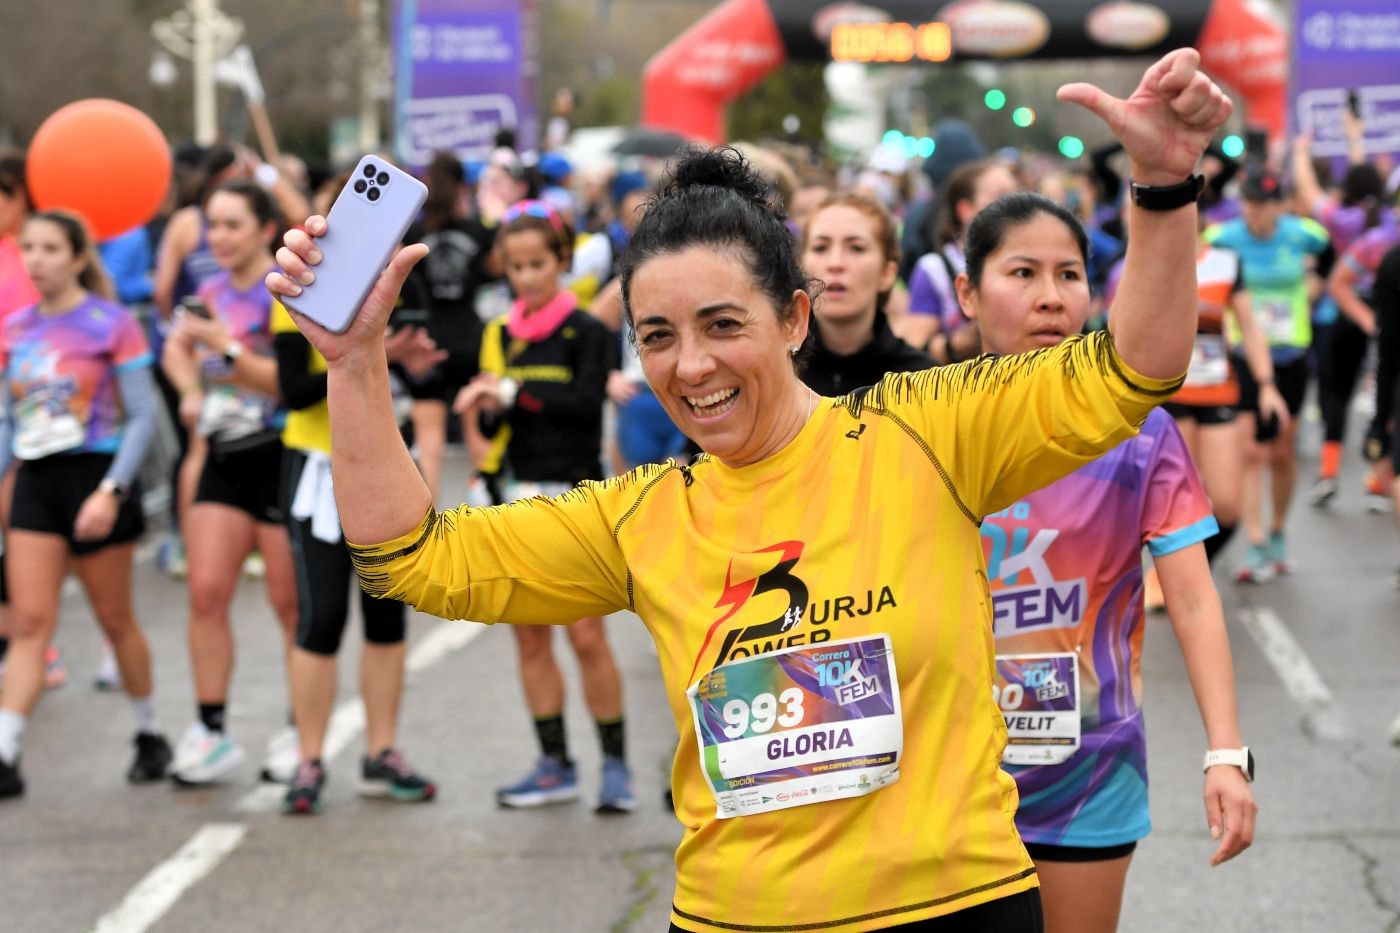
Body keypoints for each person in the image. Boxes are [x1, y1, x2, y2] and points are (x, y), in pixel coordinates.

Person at [270, 49, 1238, 932]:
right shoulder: (639, 517)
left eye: (721, 324)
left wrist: (1160, 186)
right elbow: (411, 558)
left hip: (955, 908)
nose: (690, 366)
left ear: (792, 318)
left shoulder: (927, 430)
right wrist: (355, 366)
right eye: (655, 336)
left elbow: (1132, 369)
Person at [964, 192, 1254, 933]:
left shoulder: (1139, 432)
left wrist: (1227, 753)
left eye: (1069, 274)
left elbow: (1191, 601)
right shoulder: (920, 424)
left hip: (1087, 778)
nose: (1050, 297)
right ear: (968, 292)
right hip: (946, 779)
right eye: (1022, 272)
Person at [454, 200, 635, 812]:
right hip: (516, 497)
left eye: (538, 264)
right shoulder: (498, 333)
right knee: (530, 638)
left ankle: (616, 767)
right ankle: (554, 764)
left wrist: (516, 392)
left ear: (562, 261)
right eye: (516, 266)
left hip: (576, 494)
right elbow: (491, 418)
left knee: (586, 636)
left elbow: (586, 406)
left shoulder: (586, 330)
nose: (527, 277)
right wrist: (485, 404)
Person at [0, 211, 170, 798]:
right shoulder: (15, 328)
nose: (37, 259)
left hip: (97, 477)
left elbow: (144, 418)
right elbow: (7, 419)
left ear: (78, 257)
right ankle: (6, 749)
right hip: (37, 483)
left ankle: (150, 733)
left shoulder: (112, 322)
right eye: (29, 248)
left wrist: (111, 491)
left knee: (114, 619)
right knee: (29, 623)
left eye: (51, 248)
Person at [271, 289, 441, 813]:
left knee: (386, 615)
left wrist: (410, 363)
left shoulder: (397, 283)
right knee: (321, 616)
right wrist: (373, 349)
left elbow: (426, 381)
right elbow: (294, 390)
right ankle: (309, 758)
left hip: (387, 464)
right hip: (318, 468)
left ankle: (381, 752)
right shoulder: (297, 293)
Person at [160, 181, 300, 784]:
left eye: (232, 225)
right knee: (206, 593)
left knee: (288, 604)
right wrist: (192, 388)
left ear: (264, 230)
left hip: (278, 454)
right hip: (222, 456)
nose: (218, 237)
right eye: (211, 225)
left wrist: (226, 349)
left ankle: (300, 728)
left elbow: (286, 386)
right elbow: (173, 352)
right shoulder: (206, 292)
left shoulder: (287, 292)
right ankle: (211, 730)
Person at [1204, 170, 1330, 582]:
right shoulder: (1222, 237)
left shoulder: (1303, 233)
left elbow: (1330, 253)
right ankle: (1255, 542)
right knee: (1251, 452)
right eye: (1251, 203)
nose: (1256, 212)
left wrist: (1315, 286)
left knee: (1281, 452)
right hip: (1241, 356)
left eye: (1265, 205)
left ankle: (1277, 532)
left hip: (1291, 353)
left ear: (1280, 206)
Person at [1293, 124, 1394, 507]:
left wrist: (1301, 153)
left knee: (1335, 396)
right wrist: (1356, 138)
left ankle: (1329, 472)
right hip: (1386, 316)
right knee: (1383, 394)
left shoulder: (1339, 218)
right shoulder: (1385, 221)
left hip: (1337, 314)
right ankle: (1379, 476)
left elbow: (1308, 192)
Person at [799, 192, 931, 396]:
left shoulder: (922, 382)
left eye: (856, 248)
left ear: (887, 273)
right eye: (820, 247)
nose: (835, 263)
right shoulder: (777, 371)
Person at [902, 158, 1019, 361]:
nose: (1017, 208)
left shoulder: (1030, 262)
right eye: (1001, 198)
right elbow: (915, 346)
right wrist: (958, 343)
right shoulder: (934, 269)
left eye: (1017, 196)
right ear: (965, 209)